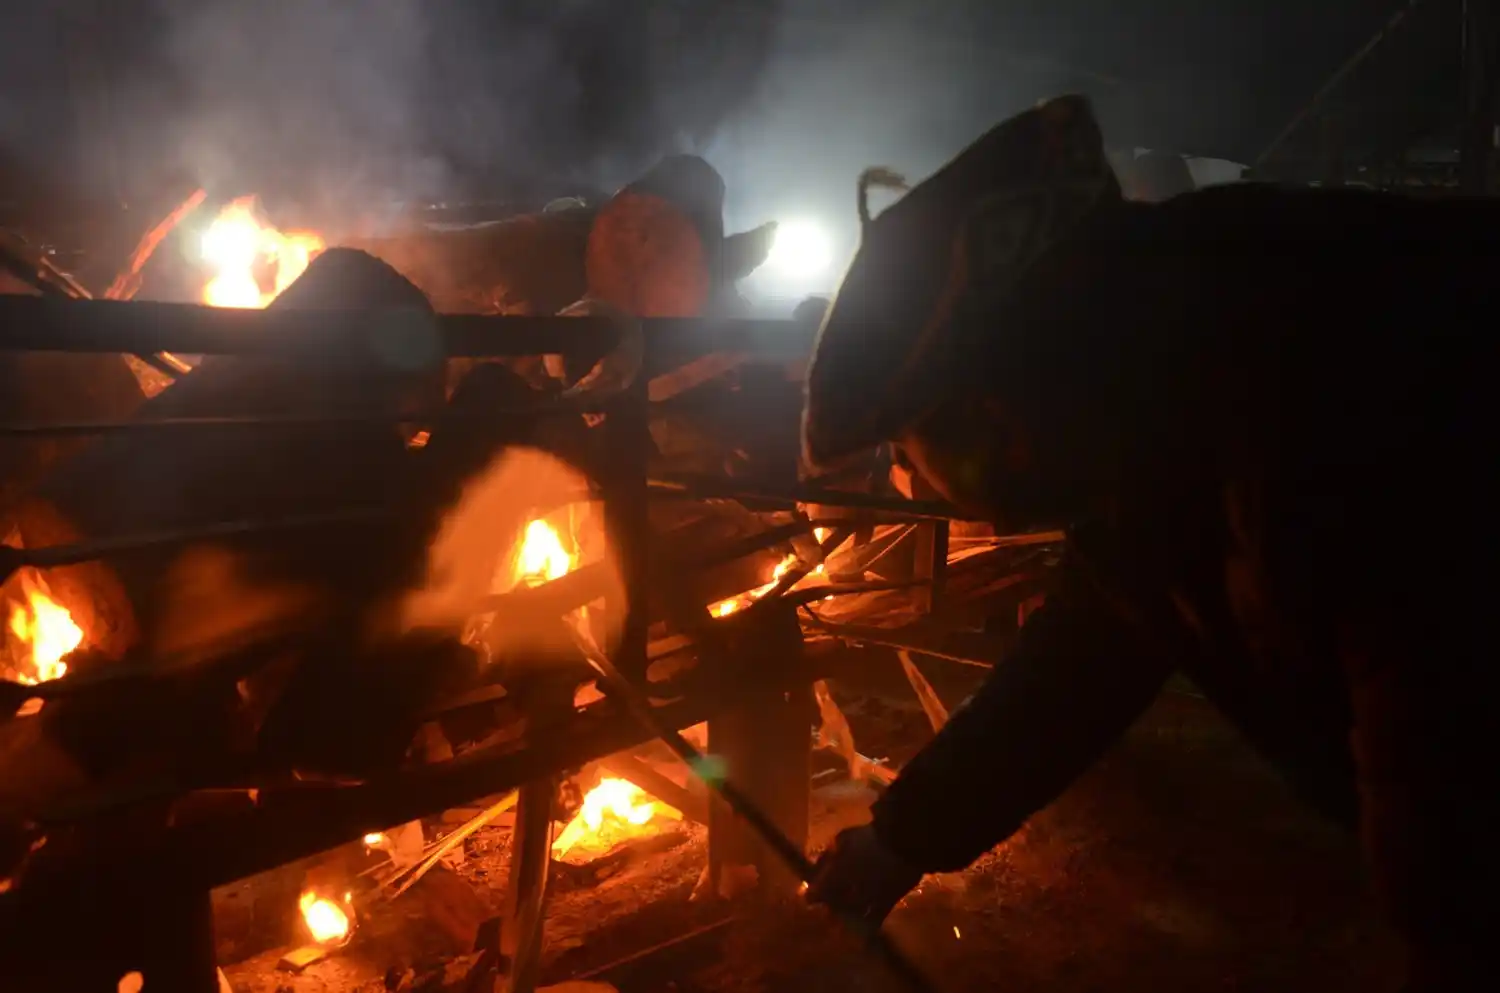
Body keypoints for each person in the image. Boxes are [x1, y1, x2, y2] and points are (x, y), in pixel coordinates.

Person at [800, 95, 1490, 992]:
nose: (914, 478)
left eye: (913, 445)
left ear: (996, 406)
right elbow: (1095, 644)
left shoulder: (1333, 403)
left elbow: (1456, 817)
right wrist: (905, 836)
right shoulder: (1169, 370)